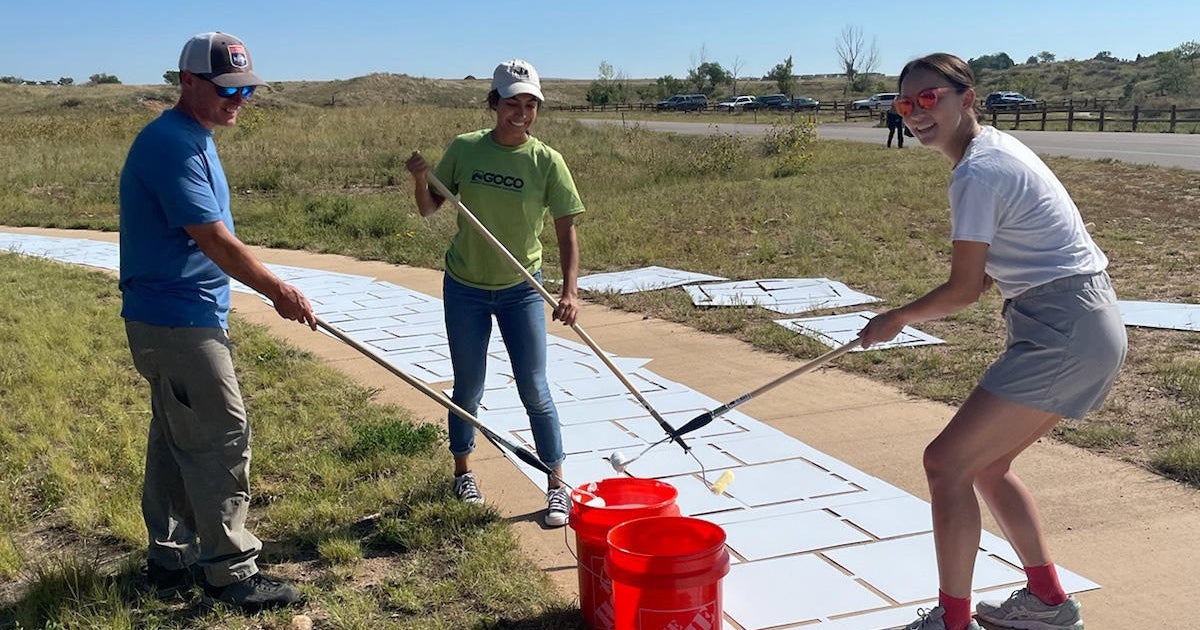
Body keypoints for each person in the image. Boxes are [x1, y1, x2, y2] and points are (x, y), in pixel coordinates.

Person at [859, 53, 1125, 630]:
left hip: (1064, 329)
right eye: (905, 103)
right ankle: (1048, 602)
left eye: (929, 98)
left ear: (966, 98)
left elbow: (963, 291)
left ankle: (952, 621)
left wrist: (896, 318)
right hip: (1084, 323)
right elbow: (989, 271)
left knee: (945, 464)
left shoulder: (977, 173)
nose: (916, 113)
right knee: (987, 465)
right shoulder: (995, 150)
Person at [119, 31, 315, 612]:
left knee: (177, 436)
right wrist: (278, 290)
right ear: (187, 81)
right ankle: (230, 572)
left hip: (176, 316)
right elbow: (213, 238)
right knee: (221, 436)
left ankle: (170, 559)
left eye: (247, 90)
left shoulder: (193, 136)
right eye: (228, 89)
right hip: (177, 320)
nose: (239, 100)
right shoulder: (171, 145)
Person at [404, 58, 585, 528]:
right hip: (465, 286)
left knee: (534, 388)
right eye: (512, 104)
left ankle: (557, 484)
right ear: (494, 103)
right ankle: (463, 472)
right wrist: (421, 179)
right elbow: (428, 209)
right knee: (468, 385)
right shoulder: (466, 149)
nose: (521, 113)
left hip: (520, 288)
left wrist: (569, 291)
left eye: (530, 105)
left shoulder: (547, 161)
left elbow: (566, 230)